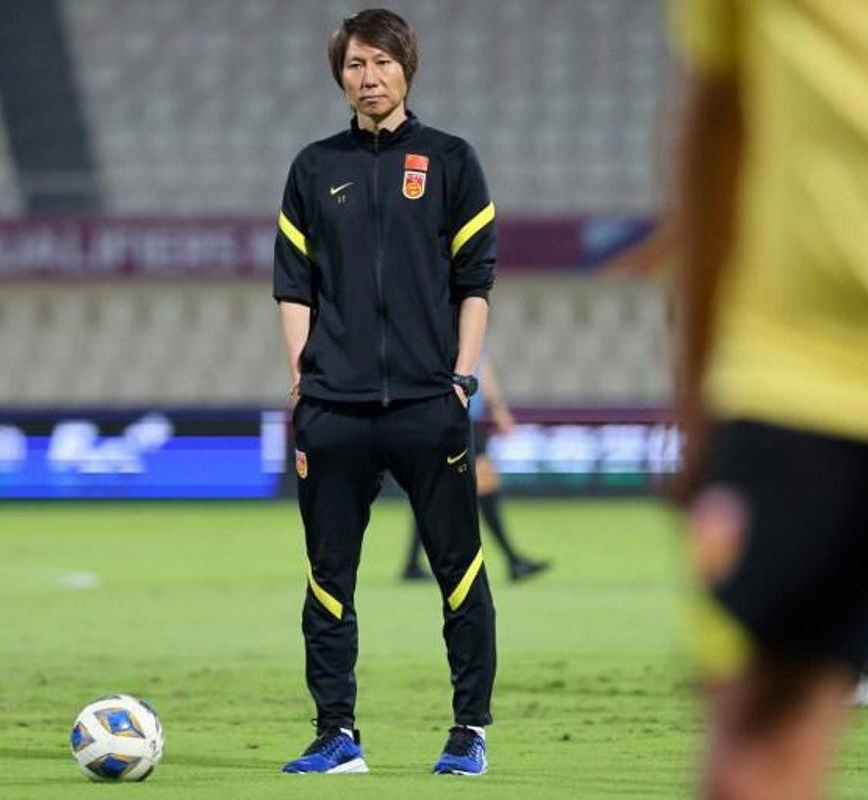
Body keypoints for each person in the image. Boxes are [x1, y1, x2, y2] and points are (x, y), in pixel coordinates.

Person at [671, 1, 868, 797]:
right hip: (801, 383)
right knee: (758, 747)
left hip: (797, 384)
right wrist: (700, 394)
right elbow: (718, 119)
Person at [273, 8, 497, 776]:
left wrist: (463, 378)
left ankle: (469, 731)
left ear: (407, 68)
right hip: (334, 412)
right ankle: (337, 734)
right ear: (340, 76)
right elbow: (292, 287)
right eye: (354, 66)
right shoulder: (312, 168)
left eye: (381, 64)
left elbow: (476, 285)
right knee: (327, 579)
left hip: (429, 406)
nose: (368, 79)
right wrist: (304, 381)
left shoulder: (451, 161)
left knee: (459, 571)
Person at [401, 357, 550, 583]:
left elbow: (483, 369)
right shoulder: (454, 335)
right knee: (452, 491)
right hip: (455, 420)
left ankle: (412, 564)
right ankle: (512, 560)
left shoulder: (463, 335)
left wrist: (499, 410)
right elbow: (481, 370)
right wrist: (499, 410)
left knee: (440, 493)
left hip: (464, 420)